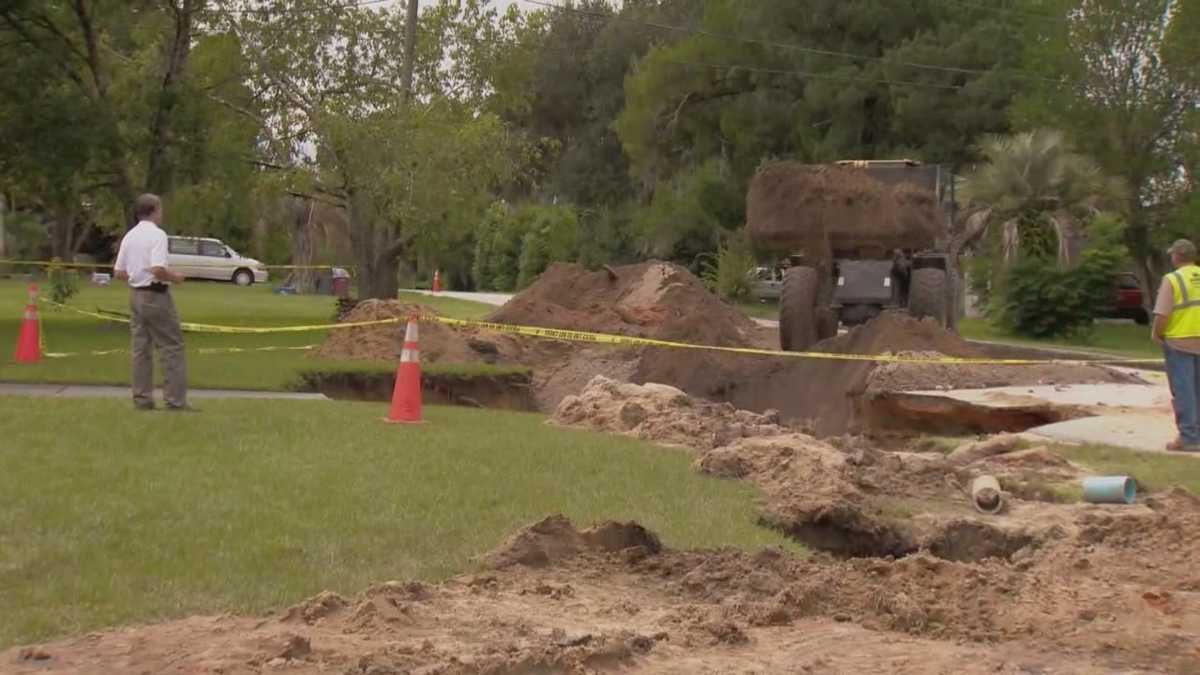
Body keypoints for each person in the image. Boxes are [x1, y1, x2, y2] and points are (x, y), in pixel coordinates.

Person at [113, 194, 191, 411]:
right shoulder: (157, 235)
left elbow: (118, 272)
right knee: (171, 346)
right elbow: (157, 268)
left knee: (140, 348)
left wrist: (136, 272)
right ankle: (175, 400)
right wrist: (175, 277)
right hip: (155, 295)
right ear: (154, 210)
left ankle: (142, 398)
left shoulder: (129, 236)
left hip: (135, 295)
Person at [1152, 239, 1200, 451]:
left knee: (1183, 390)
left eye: (1172, 254)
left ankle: (1189, 437)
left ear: (1177, 257)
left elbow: (1163, 314)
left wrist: (1156, 334)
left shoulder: (1172, 279)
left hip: (1179, 341)